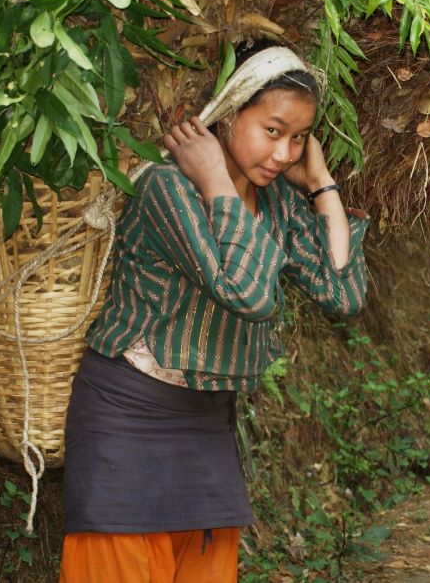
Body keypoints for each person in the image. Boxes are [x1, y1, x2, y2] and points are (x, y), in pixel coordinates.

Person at [59, 42, 369, 583]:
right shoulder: (168, 187)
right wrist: (218, 182)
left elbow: (343, 292)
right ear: (228, 114)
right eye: (272, 130)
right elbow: (248, 295)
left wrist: (322, 185)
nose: (284, 154)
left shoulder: (276, 202)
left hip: (205, 426)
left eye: (299, 138)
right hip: (127, 420)